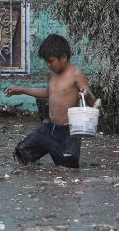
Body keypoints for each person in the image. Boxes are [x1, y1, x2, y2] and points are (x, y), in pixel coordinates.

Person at [5, 33, 95, 168]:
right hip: (48, 128)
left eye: (51, 61)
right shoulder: (53, 74)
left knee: (67, 168)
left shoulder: (76, 74)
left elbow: (91, 101)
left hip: (68, 133)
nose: (48, 64)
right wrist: (21, 89)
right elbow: (47, 93)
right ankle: (34, 173)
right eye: (46, 61)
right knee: (22, 150)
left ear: (63, 57)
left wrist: (86, 93)